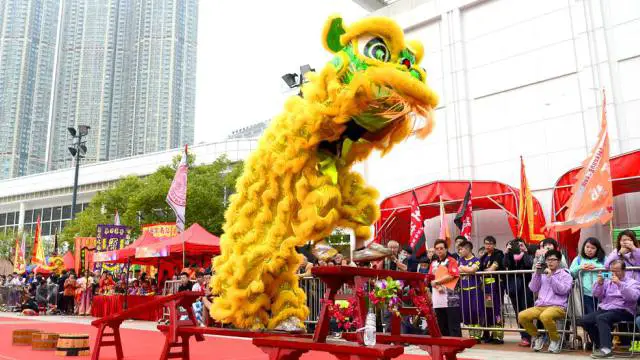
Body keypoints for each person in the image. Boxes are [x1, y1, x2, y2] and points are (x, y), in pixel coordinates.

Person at [582, 259, 640, 358]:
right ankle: (602, 345)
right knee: (584, 320)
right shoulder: (607, 281)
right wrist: (599, 284)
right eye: (611, 270)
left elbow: (633, 297)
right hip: (606, 308)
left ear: (623, 271)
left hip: (624, 310)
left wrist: (620, 284)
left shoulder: (632, 282)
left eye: (616, 271)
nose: (613, 273)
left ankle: (606, 349)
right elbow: (597, 295)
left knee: (602, 318)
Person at [518, 250, 573, 353]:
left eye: (553, 259)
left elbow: (563, 290)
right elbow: (533, 288)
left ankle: (555, 339)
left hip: (558, 306)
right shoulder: (543, 273)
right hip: (541, 306)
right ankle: (538, 336)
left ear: (559, 261)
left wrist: (551, 277)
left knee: (545, 316)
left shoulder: (565, 274)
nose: (550, 262)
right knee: (522, 316)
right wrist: (537, 274)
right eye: (548, 260)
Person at [504, 238, 535, 347]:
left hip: (526, 287)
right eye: (516, 245)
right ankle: (524, 337)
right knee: (518, 312)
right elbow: (505, 264)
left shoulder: (528, 253)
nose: (518, 247)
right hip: (514, 288)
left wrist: (525, 251)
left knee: (527, 311)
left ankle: (532, 335)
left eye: (520, 244)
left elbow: (529, 263)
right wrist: (507, 252)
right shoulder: (510, 256)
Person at [429, 239, 461, 337]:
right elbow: (430, 278)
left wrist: (438, 282)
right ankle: (445, 344)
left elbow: (453, 275)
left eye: (441, 248)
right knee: (441, 323)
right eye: (437, 249)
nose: (439, 251)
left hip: (451, 297)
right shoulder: (433, 263)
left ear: (446, 249)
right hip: (438, 296)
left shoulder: (451, 260)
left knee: (453, 323)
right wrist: (438, 286)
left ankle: (456, 345)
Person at [570, 238, 606, 315]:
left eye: (593, 248)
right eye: (587, 247)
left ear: (597, 249)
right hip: (585, 294)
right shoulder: (578, 259)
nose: (589, 250)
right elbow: (571, 274)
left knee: (602, 317)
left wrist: (597, 267)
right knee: (589, 318)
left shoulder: (603, 259)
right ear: (583, 247)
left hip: (603, 293)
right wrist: (580, 267)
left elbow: (610, 274)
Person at [479, 235, 505, 344]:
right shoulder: (483, 256)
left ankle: (497, 336)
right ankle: (488, 334)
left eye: (490, 244)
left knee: (497, 309)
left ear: (494, 245)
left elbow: (492, 269)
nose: (488, 246)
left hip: (496, 286)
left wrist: (485, 271)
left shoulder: (498, 254)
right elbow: (479, 269)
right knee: (487, 310)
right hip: (485, 288)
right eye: (486, 243)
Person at [457, 240, 483, 341]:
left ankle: (477, 335)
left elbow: (472, 270)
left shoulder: (476, 260)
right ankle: (471, 334)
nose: (460, 251)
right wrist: (465, 268)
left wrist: (462, 268)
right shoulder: (460, 260)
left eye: (461, 249)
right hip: (463, 290)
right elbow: (457, 270)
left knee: (476, 310)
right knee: (467, 312)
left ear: (468, 249)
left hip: (474, 290)